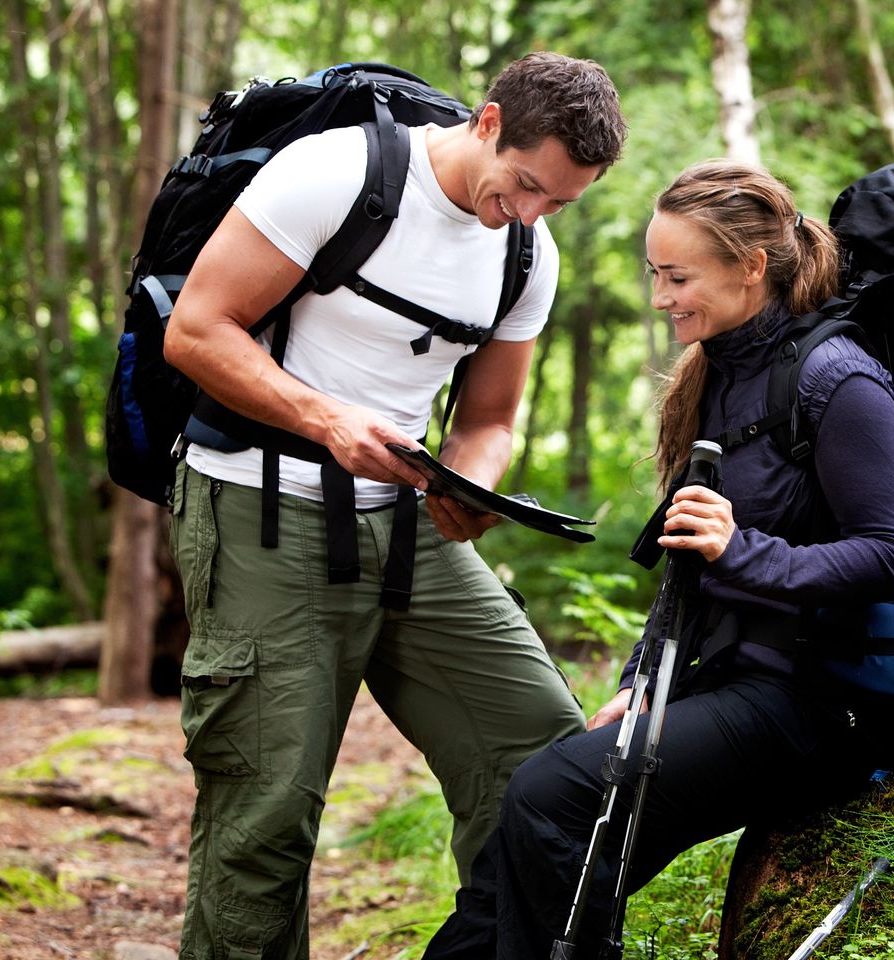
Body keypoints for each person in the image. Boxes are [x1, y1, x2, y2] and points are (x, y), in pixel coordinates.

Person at [162, 52, 627, 959]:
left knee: (542, 757)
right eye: (527, 185)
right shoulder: (336, 173)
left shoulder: (528, 251)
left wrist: (470, 482)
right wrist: (327, 418)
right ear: (488, 123)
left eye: (560, 202)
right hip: (260, 506)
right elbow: (196, 330)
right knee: (266, 813)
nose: (530, 212)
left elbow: (490, 417)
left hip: (408, 526)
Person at [421, 159, 894, 959]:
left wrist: (745, 550)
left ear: (751, 267)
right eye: (655, 273)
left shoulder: (838, 379)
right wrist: (638, 683)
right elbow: (687, 574)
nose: (661, 298)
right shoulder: (720, 374)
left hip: (822, 704)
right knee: (537, 850)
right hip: (730, 679)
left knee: (551, 796)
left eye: (678, 276)